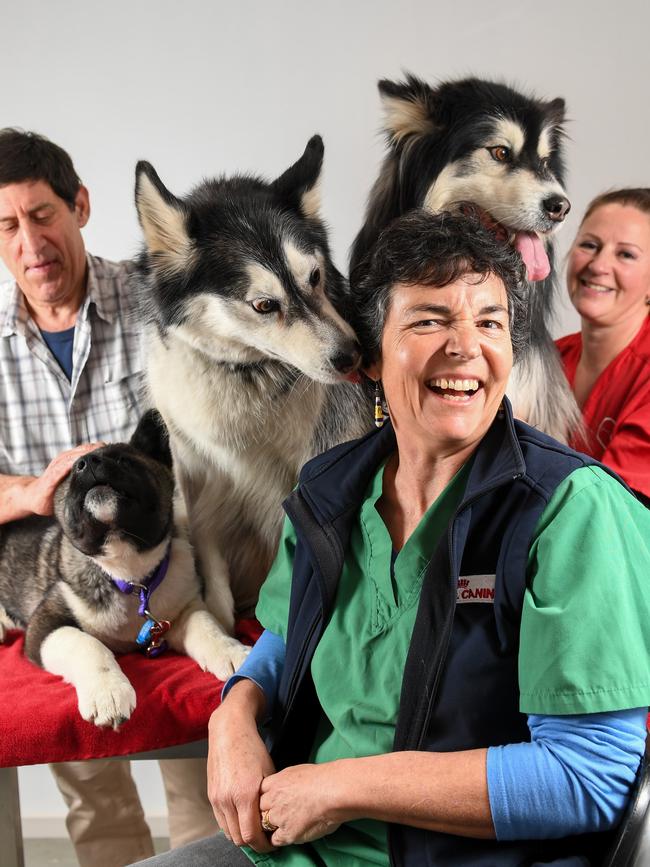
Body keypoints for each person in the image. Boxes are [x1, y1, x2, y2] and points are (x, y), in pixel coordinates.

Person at [133, 210, 650, 867]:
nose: (466, 345)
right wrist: (232, 720)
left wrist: (341, 786)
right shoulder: (330, 493)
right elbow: (285, 642)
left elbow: (588, 777)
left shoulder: (572, 511)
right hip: (307, 846)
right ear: (369, 357)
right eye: (430, 319)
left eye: (490, 321)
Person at [0, 129, 216, 866]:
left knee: (202, 781)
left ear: (80, 206)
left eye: (42, 214)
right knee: (93, 787)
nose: (30, 243)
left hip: (181, 572)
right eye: (6, 226)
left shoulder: (160, 303)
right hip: (73, 588)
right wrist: (30, 490)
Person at [556, 187, 650, 506]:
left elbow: (607, 505)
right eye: (589, 245)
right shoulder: (548, 358)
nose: (598, 265)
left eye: (625, 254)